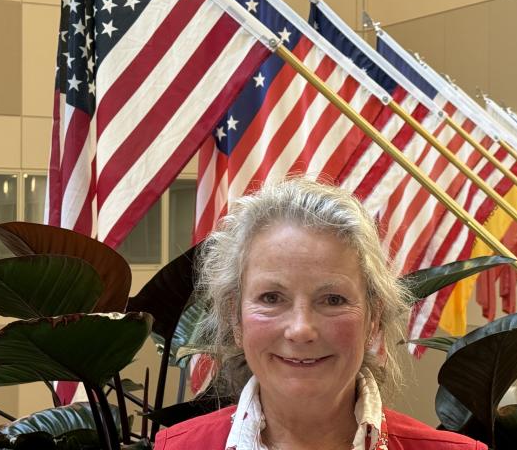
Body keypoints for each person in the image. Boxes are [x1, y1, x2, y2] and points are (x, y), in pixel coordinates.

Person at [154, 179, 488, 450]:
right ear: (235, 318)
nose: (301, 330)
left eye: (332, 299)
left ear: (374, 318)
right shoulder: (175, 447)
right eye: (271, 297)